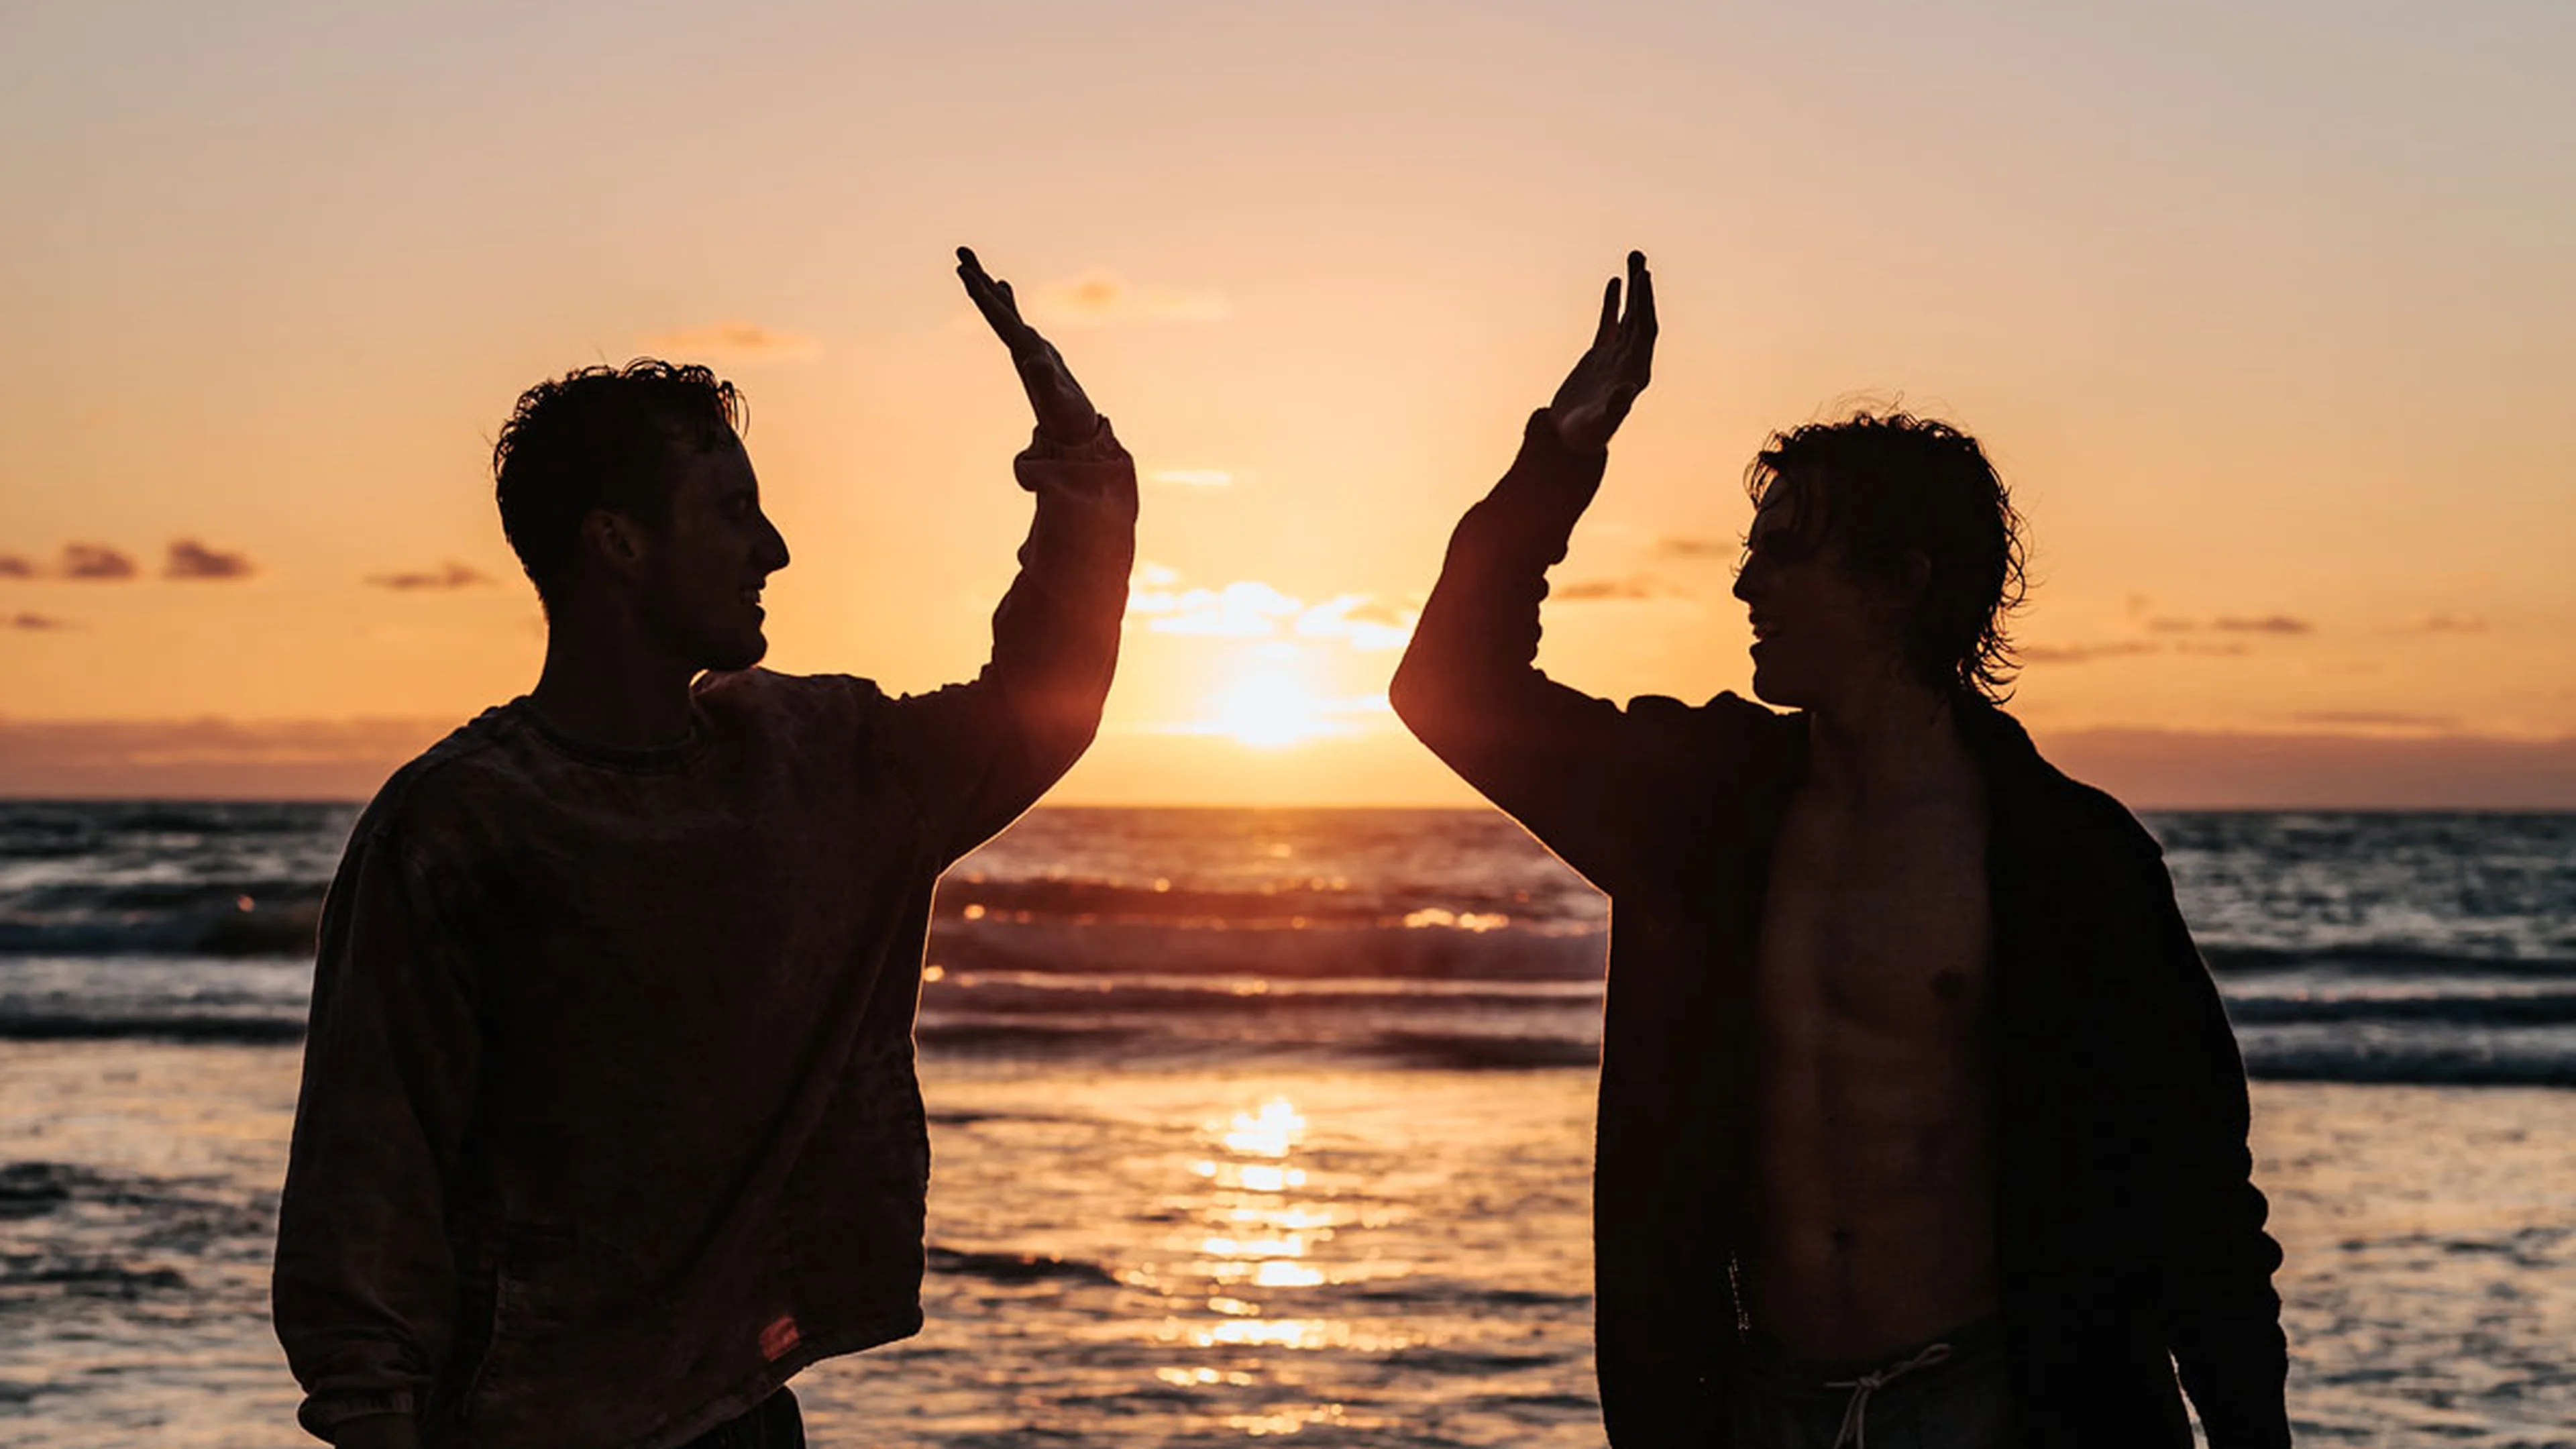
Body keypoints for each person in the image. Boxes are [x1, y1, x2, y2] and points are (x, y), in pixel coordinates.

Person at [1390, 253, 2289, 1448]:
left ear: (1899, 584)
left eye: (1785, 551)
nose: (1743, 583)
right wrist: (1561, 454)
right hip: (1759, 1413)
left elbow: (2197, 1198)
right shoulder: (1700, 807)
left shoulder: (2071, 861)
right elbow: (1448, 689)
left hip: (1998, 1411)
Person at [271, 250, 1137, 1449]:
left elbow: (1043, 702)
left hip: (737, 1413)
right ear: (617, 544)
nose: (772, 549)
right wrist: (375, 1418)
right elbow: (366, 1181)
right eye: (733, 512)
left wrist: (1082, 469)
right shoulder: (461, 826)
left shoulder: (818, 764)